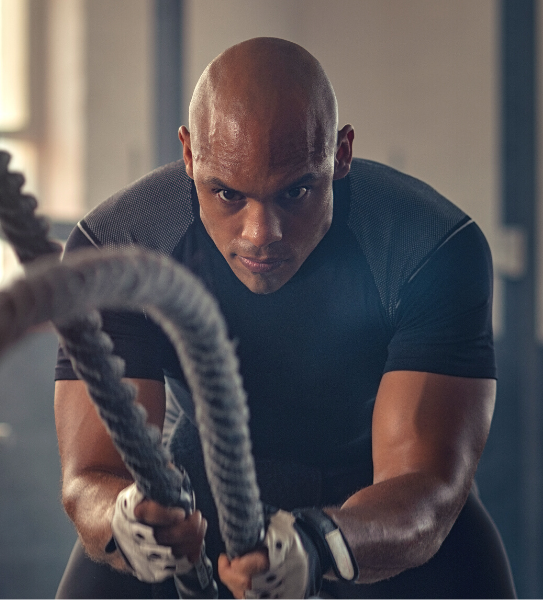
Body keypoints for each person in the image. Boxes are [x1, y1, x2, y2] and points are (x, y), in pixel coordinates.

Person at [53, 37, 515, 599]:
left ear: (341, 153)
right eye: (226, 193)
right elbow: (90, 477)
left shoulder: (428, 248)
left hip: (375, 514)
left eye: (297, 190)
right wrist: (126, 519)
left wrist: (319, 543)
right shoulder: (117, 248)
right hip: (196, 501)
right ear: (189, 155)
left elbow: (425, 488)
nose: (260, 234)